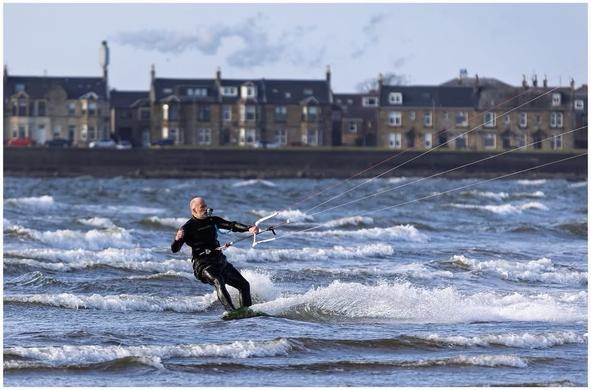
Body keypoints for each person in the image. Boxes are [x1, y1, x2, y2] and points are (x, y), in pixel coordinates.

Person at [171, 197, 258, 312]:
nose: (206, 209)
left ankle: (246, 312)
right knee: (218, 281)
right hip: (203, 265)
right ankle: (231, 312)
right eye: (202, 207)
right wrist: (177, 239)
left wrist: (249, 228)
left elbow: (231, 225)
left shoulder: (212, 220)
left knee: (244, 285)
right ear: (194, 210)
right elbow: (175, 249)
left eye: (206, 206)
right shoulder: (187, 228)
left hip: (219, 261)